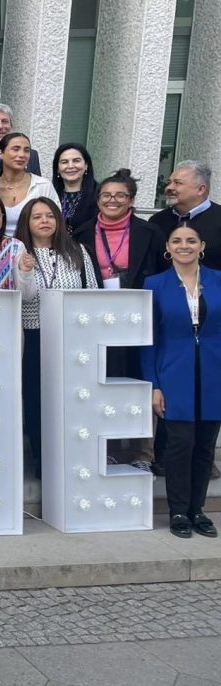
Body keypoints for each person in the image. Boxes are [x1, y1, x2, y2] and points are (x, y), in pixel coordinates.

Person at [74, 169, 166, 472]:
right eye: (106, 195)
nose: (112, 200)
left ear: (131, 200)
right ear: (97, 199)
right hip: (98, 319)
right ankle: (110, 447)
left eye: (120, 195)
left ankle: (142, 452)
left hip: (140, 317)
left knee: (140, 379)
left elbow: (161, 273)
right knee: (106, 380)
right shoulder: (82, 232)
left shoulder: (150, 232)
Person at [142, 222, 221, 538]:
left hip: (214, 373)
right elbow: (148, 339)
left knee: (205, 446)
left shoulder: (218, 280)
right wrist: (153, 384)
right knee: (180, 444)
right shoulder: (154, 284)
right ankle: (178, 510)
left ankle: (197, 510)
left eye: (191, 240)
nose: (184, 246)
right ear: (168, 247)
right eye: (177, 241)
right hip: (173, 373)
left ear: (202, 246)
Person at [15, 197, 98, 477]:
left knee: (71, 397)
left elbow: (91, 292)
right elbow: (22, 296)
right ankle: (43, 459)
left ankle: (73, 456)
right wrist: (24, 272)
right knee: (36, 398)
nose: (44, 221)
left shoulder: (77, 251)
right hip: (34, 333)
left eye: (50, 216)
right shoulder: (19, 252)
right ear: (27, 222)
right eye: (37, 216)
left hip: (71, 336)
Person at [150, 160, 221, 270]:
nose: (169, 188)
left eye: (178, 183)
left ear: (201, 189)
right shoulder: (157, 221)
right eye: (169, 182)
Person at [0, 132, 60, 237]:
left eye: (26, 150)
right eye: (16, 149)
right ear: (1, 153)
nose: (22, 155)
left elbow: (57, 221)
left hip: (34, 245)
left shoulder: (42, 185)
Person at [51, 143, 97, 235]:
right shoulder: (49, 193)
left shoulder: (99, 194)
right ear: (57, 169)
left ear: (86, 165)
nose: (71, 166)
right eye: (64, 162)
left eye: (76, 161)